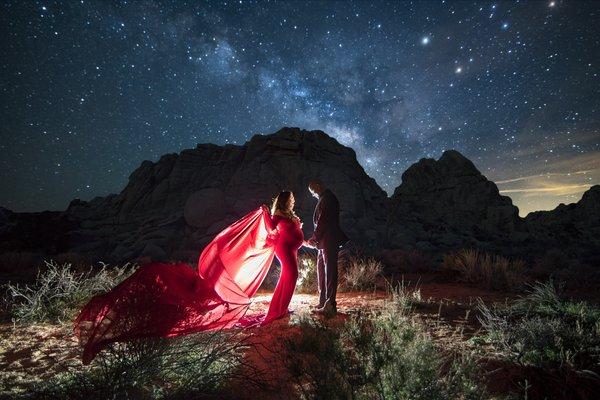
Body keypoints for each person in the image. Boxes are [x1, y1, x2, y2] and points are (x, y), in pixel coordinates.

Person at [73, 190, 302, 364]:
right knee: (286, 282)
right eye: (290, 199)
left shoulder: (287, 216)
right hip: (286, 255)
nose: (293, 201)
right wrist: (263, 216)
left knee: (287, 284)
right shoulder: (276, 216)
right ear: (283, 201)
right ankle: (276, 312)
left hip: (290, 254)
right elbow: (263, 232)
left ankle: (278, 311)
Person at [304, 180, 349, 315]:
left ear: (319, 186)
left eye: (312, 190)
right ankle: (323, 301)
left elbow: (323, 221)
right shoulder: (325, 198)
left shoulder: (328, 199)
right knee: (322, 271)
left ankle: (330, 304)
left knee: (329, 272)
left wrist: (314, 238)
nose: (312, 194)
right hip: (323, 242)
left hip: (329, 240)